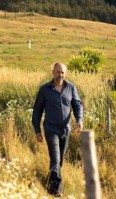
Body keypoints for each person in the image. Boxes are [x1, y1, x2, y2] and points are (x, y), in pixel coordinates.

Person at [32, 62, 83, 197]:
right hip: (51, 129)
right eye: (58, 72)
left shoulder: (71, 88)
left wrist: (79, 120)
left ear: (65, 74)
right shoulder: (45, 89)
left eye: (62, 72)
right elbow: (37, 109)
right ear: (53, 73)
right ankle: (56, 192)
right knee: (55, 159)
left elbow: (77, 104)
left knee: (59, 161)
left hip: (66, 130)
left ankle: (49, 185)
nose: (60, 75)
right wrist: (37, 130)